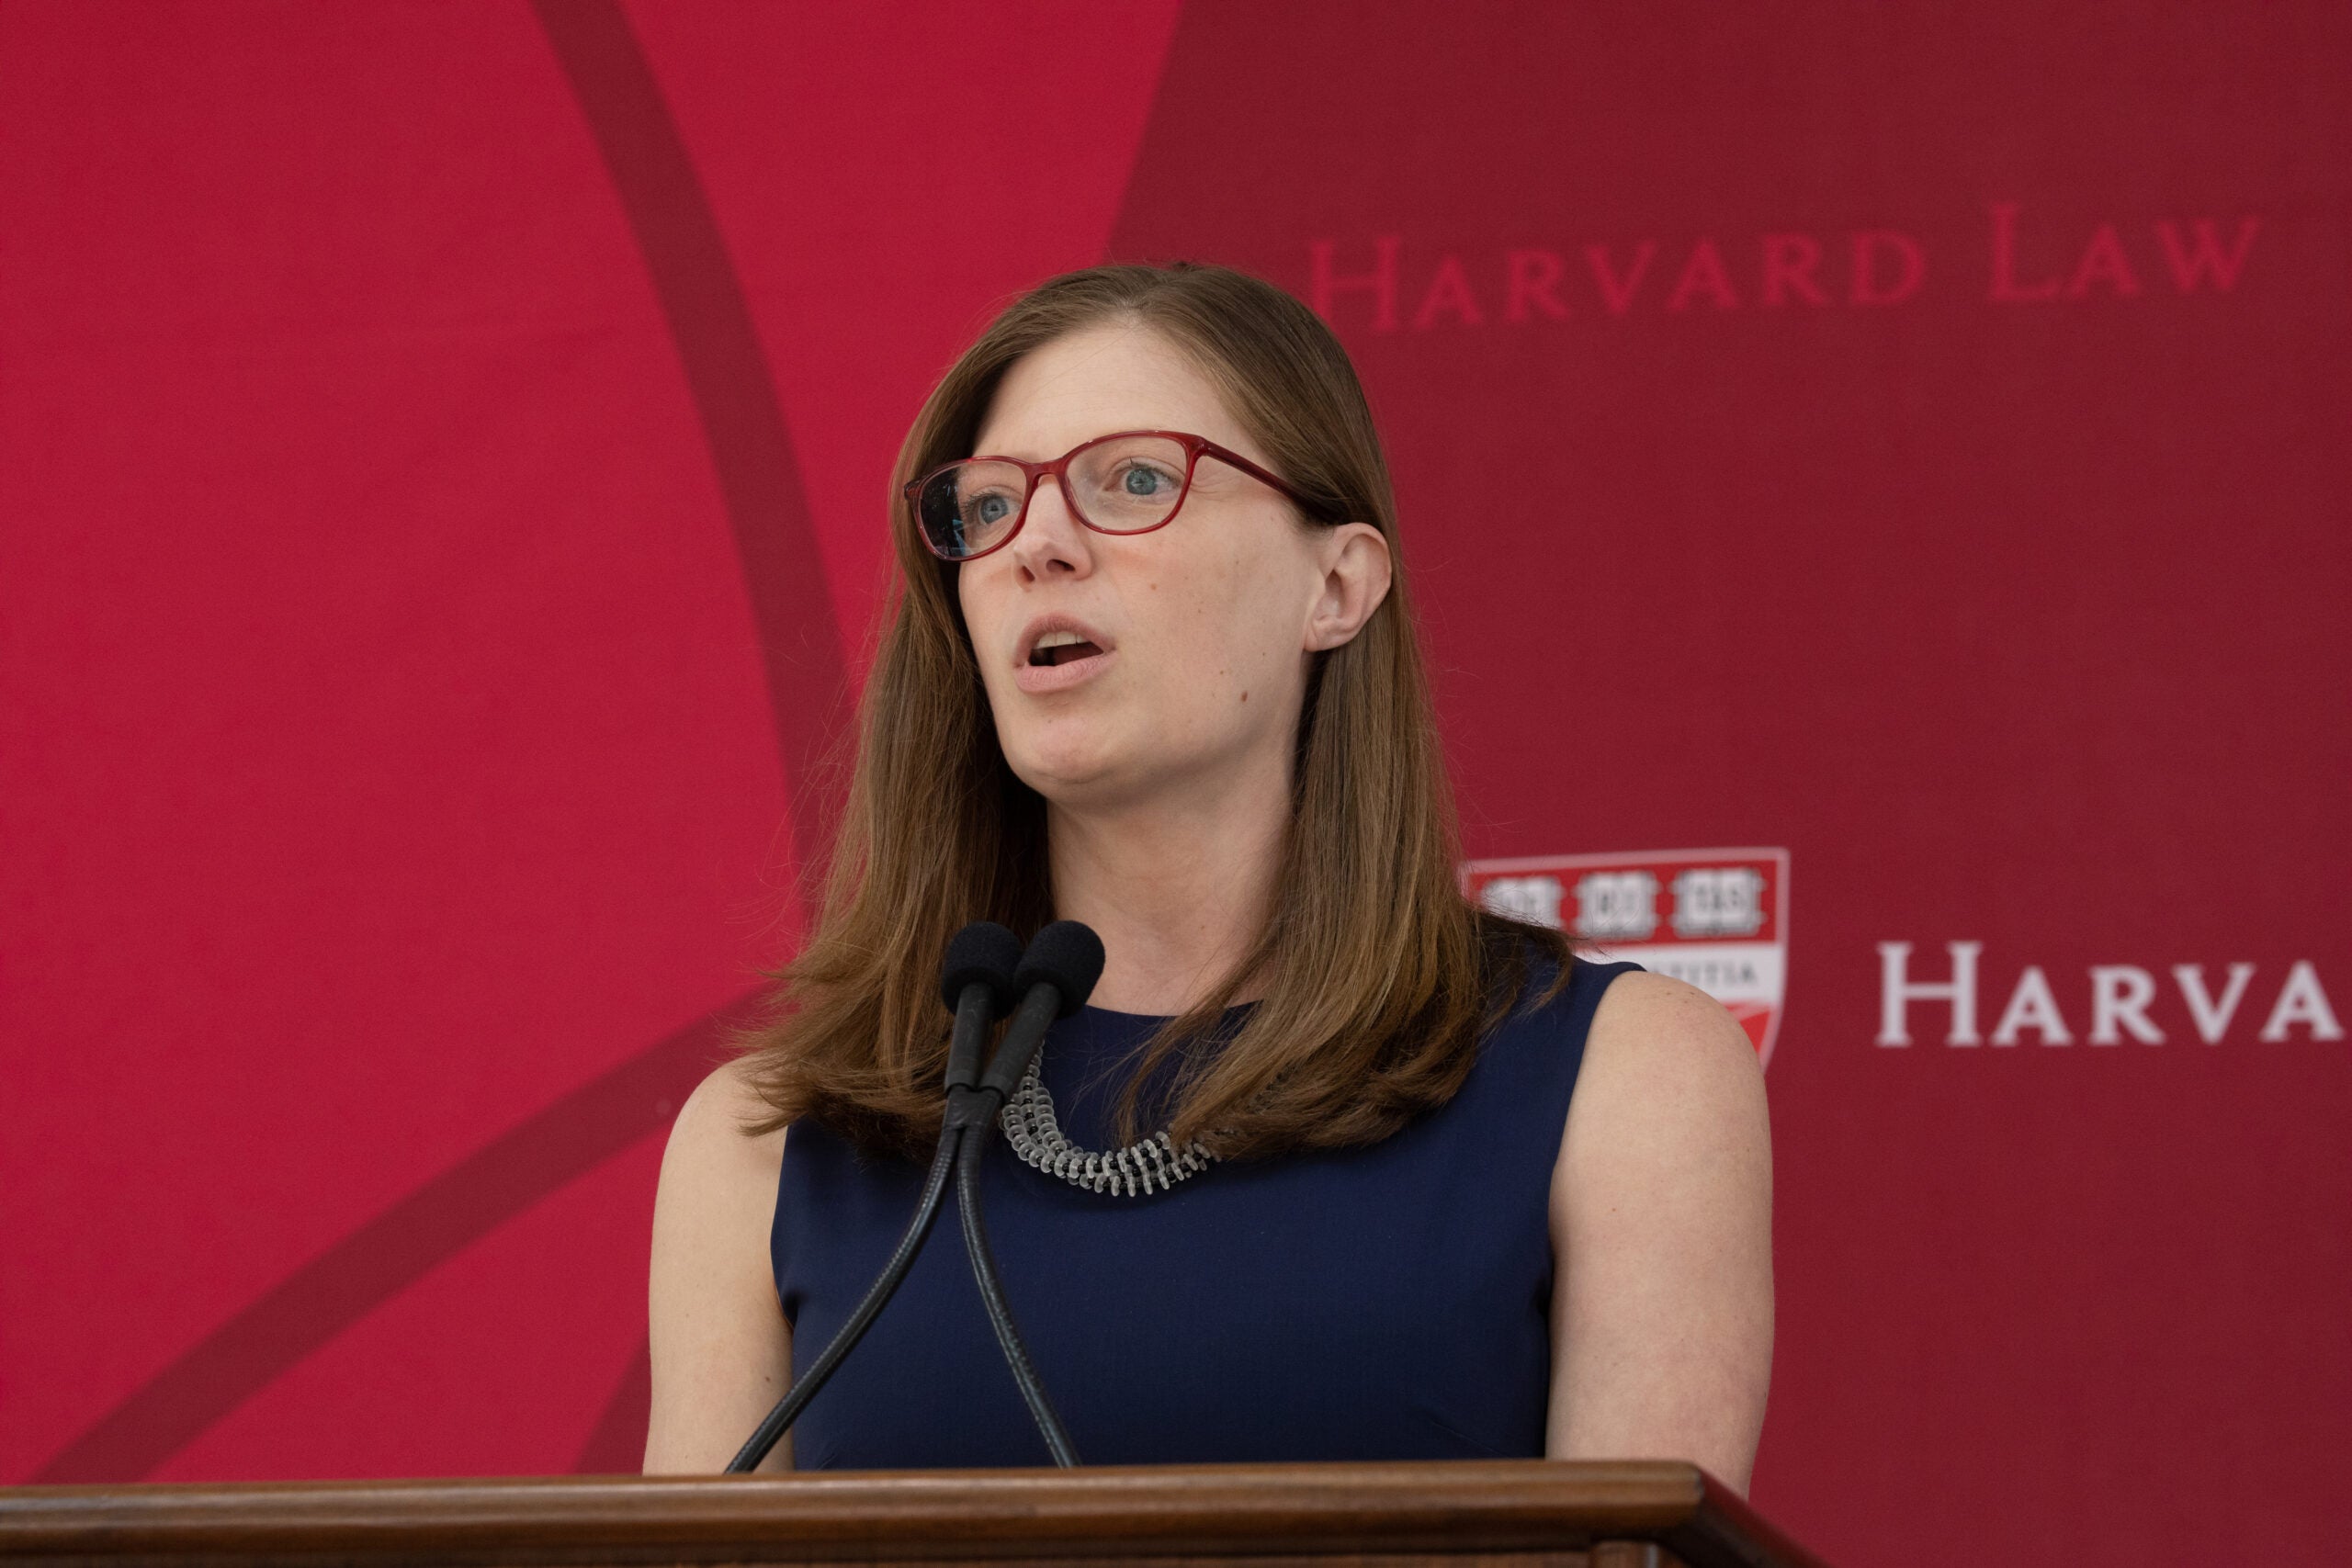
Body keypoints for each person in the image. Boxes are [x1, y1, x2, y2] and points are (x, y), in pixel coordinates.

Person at [643, 263, 1771, 1487]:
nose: (1040, 548)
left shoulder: (1618, 1080)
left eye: (1133, 480)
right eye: (987, 508)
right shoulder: (768, 1145)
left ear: (1337, 587)